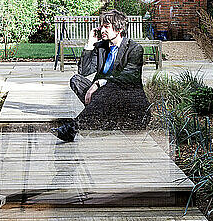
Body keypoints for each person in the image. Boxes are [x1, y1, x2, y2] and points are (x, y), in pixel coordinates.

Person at [51, 9, 151, 142]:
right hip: (104, 97)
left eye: (107, 26)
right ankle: (102, 118)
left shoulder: (134, 49)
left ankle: (72, 128)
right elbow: (84, 71)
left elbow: (126, 78)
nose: (102, 29)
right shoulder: (101, 47)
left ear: (119, 29)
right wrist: (90, 44)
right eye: (102, 26)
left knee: (110, 88)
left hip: (126, 101)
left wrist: (98, 83)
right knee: (76, 80)